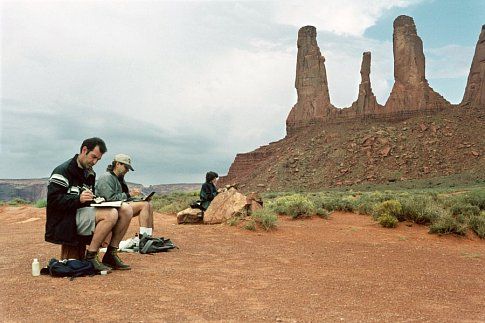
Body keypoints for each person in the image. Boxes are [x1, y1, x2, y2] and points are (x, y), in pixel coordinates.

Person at [45, 137, 133, 272]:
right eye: (93, 157)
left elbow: (87, 200)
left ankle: (110, 254)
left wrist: (96, 200)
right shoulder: (63, 171)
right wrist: (78, 199)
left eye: (98, 159)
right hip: (65, 220)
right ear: (84, 150)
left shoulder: (90, 173)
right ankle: (91, 257)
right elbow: (53, 201)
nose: (95, 162)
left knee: (126, 209)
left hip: (81, 214)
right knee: (111, 213)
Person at [95, 154, 154, 238]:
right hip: (108, 210)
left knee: (148, 204)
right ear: (117, 164)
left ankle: (149, 237)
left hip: (119, 206)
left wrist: (141, 199)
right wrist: (129, 194)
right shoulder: (106, 177)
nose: (127, 170)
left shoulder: (119, 178)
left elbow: (125, 197)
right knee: (144, 205)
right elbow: (109, 198)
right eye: (126, 167)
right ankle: (144, 239)